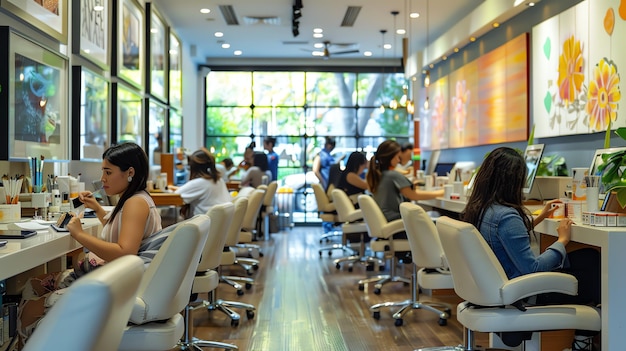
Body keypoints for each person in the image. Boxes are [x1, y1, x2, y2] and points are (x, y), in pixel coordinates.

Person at [18, 142, 163, 343]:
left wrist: (80, 235)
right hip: (121, 280)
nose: (102, 179)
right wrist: (98, 210)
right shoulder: (137, 198)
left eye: (108, 172)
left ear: (130, 172)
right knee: (32, 285)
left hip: (117, 287)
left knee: (29, 308)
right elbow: (123, 232)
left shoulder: (135, 203)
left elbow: (125, 252)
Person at [460, 147, 600, 350]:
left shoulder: (481, 208)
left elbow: (505, 238)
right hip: (521, 293)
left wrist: (540, 217)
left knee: (587, 258)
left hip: (492, 287)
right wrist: (561, 240)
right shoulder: (507, 216)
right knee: (594, 270)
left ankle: (582, 340)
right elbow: (533, 269)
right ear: (513, 181)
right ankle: (584, 341)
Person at [367, 140, 444, 222]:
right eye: (397, 157)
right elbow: (414, 195)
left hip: (387, 217)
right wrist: (442, 192)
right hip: (395, 219)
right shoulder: (392, 175)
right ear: (389, 157)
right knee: (437, 216)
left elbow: (407, 192)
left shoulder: (381, 174)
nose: (398, 160)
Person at [169, 148, 232, 219]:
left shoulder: (199, 183)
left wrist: (169, 189)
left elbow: (174, 197)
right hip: (217, 225)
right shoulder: (219, 180)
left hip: (203, 226)